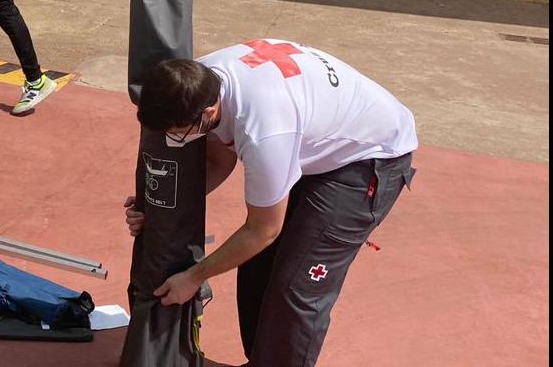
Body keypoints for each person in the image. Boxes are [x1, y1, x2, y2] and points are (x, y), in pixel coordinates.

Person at [126, 39, 417, 367]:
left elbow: (263, 230)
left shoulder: (264, 132)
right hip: (314, 135)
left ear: (207, 112)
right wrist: (161, 209)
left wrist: (193, 277)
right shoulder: (198, 81)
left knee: (296, 286)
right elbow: (220, 163)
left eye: (178, 134)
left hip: (368, 157)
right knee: (256, 266)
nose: (174, 140)